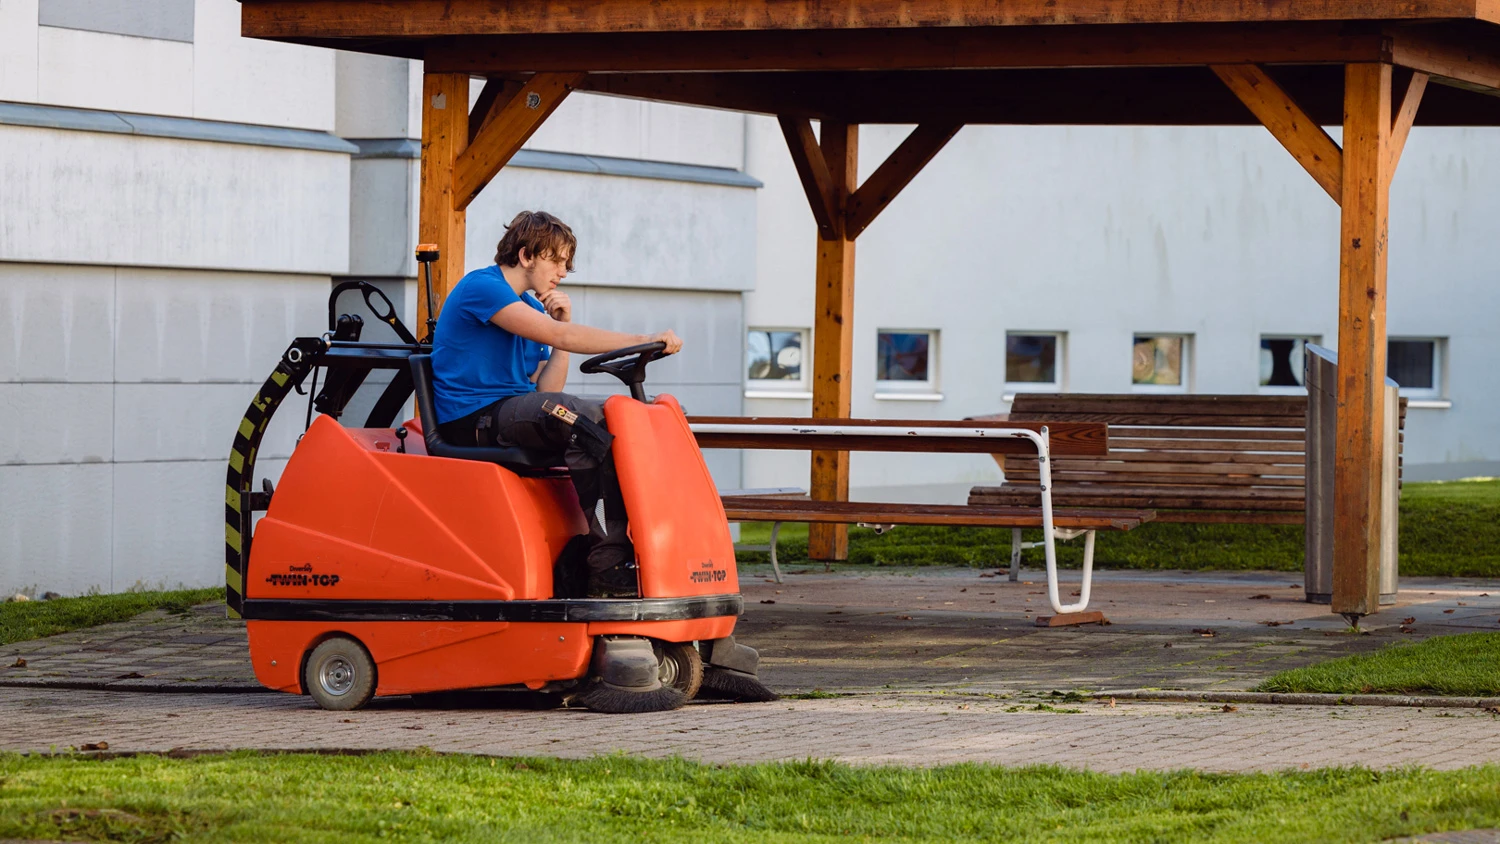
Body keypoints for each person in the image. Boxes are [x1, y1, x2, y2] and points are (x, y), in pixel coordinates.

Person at [429, 211, 682, 597]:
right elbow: (551, 342)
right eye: (557, 260)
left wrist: (561, 334)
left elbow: (545, 385)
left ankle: (639, 546)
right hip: (474, 418)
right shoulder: (482, 288)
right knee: (579, 418)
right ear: (527, 255)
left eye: (567, 263)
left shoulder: (529, 309)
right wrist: (641, 337)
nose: (563, 272)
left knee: (617, 416)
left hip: (514, 409)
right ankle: (609, 564)